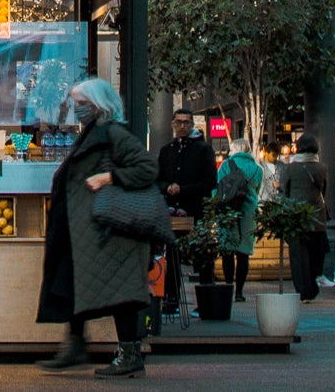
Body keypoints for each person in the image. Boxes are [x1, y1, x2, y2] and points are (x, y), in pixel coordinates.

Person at [36, 78, 160, 379]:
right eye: (75, 103)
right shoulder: (93, 132)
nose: (76, 109)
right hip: (89, 231)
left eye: (82, 104)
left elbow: (147, 168)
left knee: (120, 293)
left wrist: (107, 179)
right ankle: (75, 343)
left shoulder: (114, 133)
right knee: (74, 281)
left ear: (98, 106)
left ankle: (130, 356)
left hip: (112, 231)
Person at [154, 109, 217, 311]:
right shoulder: (167, 150)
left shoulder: (203, 150)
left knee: (202, 254)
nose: (182, 126)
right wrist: (167, 188)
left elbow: (210, 182)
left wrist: (185, 189)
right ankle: (171, 299)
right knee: (171, 255)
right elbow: (158, 179)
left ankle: (206, 300)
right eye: (179, 122)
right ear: (173, 124)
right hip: (172, 211)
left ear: (192, 125)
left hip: (195, 209)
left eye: (187, 122)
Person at [276, 134, 330, 302]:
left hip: (296, 216)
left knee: (299, 256)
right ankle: (313, 285)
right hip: (317, 217)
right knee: (315, 255)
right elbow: (324, 191)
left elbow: (284, 191)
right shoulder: (322, 168)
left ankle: (303, 290)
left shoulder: (290, 168)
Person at [213, 138, 264, 297]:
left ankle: (228, 287)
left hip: (228, 212)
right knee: (243, 255)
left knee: (228, 252)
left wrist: (216, 208)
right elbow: (257, 190)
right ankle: (239, 292)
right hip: (248, 213)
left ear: (233, 149)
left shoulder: (226, 165)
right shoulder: (257, 169)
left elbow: (217, 189)